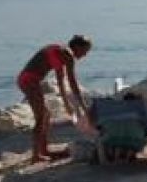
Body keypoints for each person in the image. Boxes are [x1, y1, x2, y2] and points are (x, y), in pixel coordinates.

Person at [17, 35, 94, 163]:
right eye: (85, 50)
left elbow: (61, 81)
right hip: (29, 80)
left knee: (46, 116)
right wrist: (84, 107)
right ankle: (35, 156)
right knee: (41, 118)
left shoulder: (61, 51)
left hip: (28, 79)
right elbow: (72, 82)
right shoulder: (68, 55)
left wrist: (66, 104)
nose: (85, 55)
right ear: (77, 47)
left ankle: (43, 151)